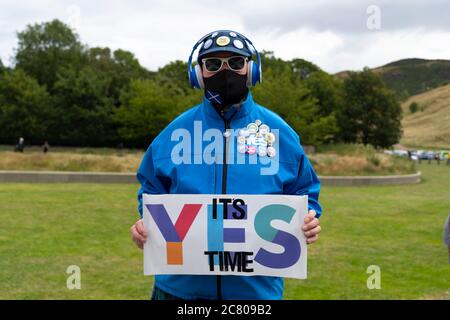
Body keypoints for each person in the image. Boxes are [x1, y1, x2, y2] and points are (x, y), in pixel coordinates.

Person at [130, 30, 322, 300]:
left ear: (251, 70)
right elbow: (151, 189)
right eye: (213, 64)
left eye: (235, 63)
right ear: (198, 74)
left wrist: (309, 218)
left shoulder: (280, 133)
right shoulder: (173, 134)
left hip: (256, 293)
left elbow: (304, 190)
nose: (225, 71)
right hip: (178, 290)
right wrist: (145, 223)